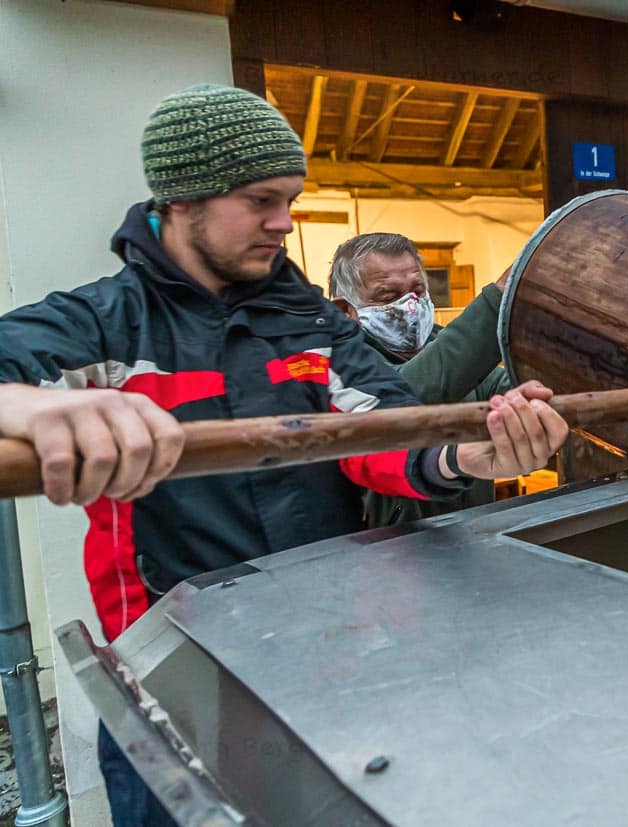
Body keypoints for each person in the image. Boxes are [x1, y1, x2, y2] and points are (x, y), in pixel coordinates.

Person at [0, 83, 567, 826]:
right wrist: (36, 404)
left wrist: (466, 458)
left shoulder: (306, 322)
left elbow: (386, 431)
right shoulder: (108, 326)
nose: (284, 222)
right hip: (172, 686)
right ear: (181, 199)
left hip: (329, 662)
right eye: (262, 200)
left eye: (290, 198)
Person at [328, 232, 512, 523]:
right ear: (345, 311)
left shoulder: (450, 353)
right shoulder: (340, 367)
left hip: (472, 538)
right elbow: (405, 397)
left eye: (418, 290)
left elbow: (512, 390)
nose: (410, 306)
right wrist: (497, 302)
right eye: (388, 296)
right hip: (392, 552)